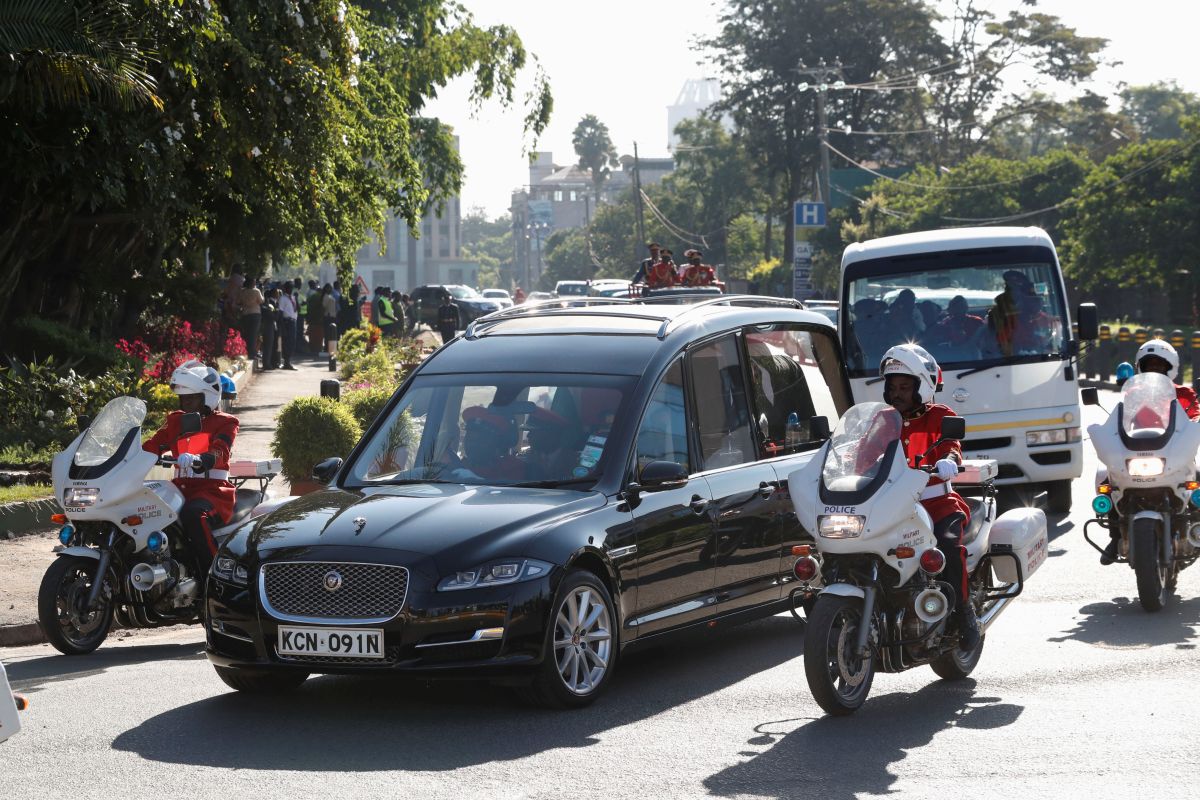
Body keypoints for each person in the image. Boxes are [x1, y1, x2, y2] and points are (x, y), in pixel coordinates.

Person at [879, 343, 980, 648]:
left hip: (936, 503)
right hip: (892, 505)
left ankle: (965, 613)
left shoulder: (939, 415)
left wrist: (949, 459)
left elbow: (950, 443)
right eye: (893, 386)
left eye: (905, 387)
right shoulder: (882, 420)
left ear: (922, 387)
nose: (897, 393)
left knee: (949, 548)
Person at [142, 360, 238, 578]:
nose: (186, 403)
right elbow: (151, 446)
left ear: (208, 398)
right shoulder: (175, 421)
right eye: (183, 398)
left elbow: (221, 451)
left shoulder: (225, 422)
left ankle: (213, 576)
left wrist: (200, 459)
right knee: (146, 509)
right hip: (179, 488)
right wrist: (126, 457)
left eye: (192, 398)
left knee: (193, 514)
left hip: (212, 491)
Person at [452, 406, 523, 481]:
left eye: (479, 439)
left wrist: (476, 480)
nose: (472, 444)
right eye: (470, 437)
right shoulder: (456, 467)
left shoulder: (512, 469)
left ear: (497, 441)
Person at [521, 407, 583, 481]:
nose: (528, 436)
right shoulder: (526, 458)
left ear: (552, 434)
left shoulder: (576, 462)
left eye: (534, 432)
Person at [236, 277, 264, 362]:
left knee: (246, 334)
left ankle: (245, 352)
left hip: (245, 315)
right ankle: (252, 354)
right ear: (252, 283)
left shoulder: (242, 291)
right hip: (255, 315)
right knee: (253, 335)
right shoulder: (256, 291)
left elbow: (238, 301)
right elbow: (262, 301)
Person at [277, 281, 299, 370]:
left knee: (292, 342)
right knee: (287, 342)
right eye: (289, 287)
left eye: (292, 288)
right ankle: (287, 362)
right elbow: (281, 312)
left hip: (293, 321)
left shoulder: (293, 297)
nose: (291, 289)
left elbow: (297, 309)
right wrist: (282, 326)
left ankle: (288, 361)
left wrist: (296, 299)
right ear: (285, 288)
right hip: (287, 322)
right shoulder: (283, 298)